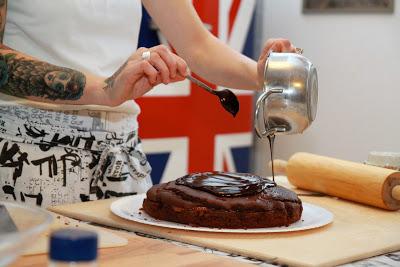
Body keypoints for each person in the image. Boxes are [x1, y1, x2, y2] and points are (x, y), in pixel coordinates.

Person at [0, 0, 297, 207]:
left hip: (119, 155)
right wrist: (104, 90)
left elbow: (197, 45)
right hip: (26, 158)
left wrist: (262, 75)